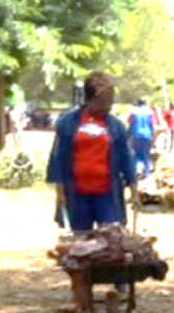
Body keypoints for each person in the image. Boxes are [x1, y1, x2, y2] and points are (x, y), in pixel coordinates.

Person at [48, 72, 137, 231]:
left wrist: (134, 189)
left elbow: (126, 158)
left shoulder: (116, 126)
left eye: (111, 99)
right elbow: (58, 159)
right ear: (90, 98)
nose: (109, 104)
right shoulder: (68, 123)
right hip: (77, 194)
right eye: (104, 100)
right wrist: (60, 193)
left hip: (108, 194)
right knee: (81, 241)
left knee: (112, 239)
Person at [128, 98, 156, 177]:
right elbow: (152, 125)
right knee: (146, 154)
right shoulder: (150, 112)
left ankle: (137, 169)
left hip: (136, 135)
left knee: (137, 153)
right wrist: (153, 136)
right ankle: (147, 172)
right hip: (147, 135)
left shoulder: (133, 112)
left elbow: (131, 124)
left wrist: (128, 136)